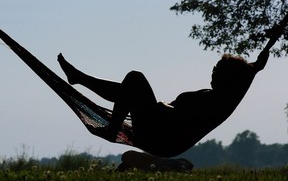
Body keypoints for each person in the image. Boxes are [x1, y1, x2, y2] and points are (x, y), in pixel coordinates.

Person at [57, 49, 269, 158]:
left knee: (135, 79)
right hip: (159, 130)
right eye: (214, 67)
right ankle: (79, 78)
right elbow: (251, 71)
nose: (213, 71)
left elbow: (180, 118)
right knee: (130, 88)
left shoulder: (216, 102)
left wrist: (161, 106)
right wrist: (257, 65)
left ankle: (110, 126)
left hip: (160, 136)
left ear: (228, 78)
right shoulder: (222, 96)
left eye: (218, 70)